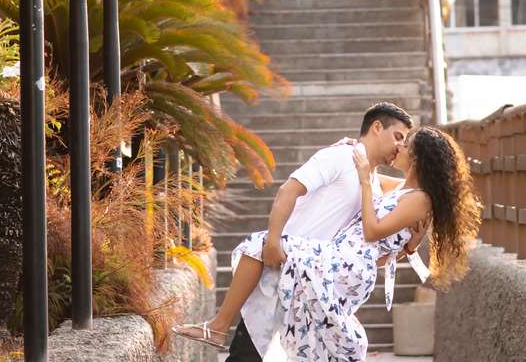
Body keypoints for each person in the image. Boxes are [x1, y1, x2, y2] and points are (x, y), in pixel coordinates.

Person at [178, 126, 481, 361]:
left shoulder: (420, 200)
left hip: (344, 265)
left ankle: (219, 327)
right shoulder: (404, 189)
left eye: (406, 144)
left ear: (416, 158)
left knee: (261, 245)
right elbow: (373, 194)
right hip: (344, 260)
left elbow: (373, 232)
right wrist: (352, 149)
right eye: (399, 139)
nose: (399, 146)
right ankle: (221, 327)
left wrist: (365, 179)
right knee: (312, 335)